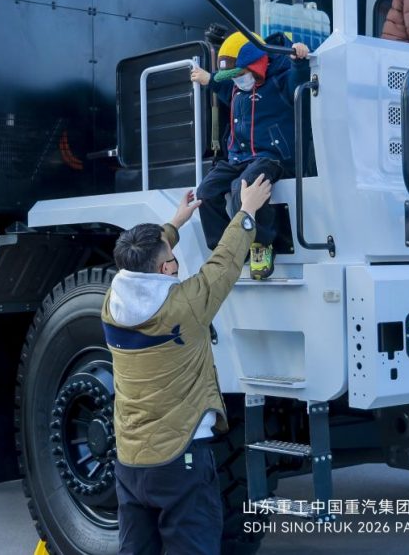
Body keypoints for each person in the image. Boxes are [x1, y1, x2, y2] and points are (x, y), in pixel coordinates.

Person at [104, 175, 273, 555]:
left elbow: (142, 259)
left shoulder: (112, 302)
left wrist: (175, 224)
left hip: (130, 463)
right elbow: (224, 263)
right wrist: (247, 210)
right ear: (166, 269)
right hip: (179, 458)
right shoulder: (186, 305)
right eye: (171, 257)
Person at [190, 31, 310, 280]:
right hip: (238, 157)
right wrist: (207, 78)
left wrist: (299, 61)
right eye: (232, 77)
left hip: (271, 156)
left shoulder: (279, 80)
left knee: (242, 187)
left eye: (240, 74)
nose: (236, 81)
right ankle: (224, 248)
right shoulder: (237, 88)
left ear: (256, 65)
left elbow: (299, 83)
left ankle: (261, 244)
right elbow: (221, 84)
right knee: (205, 192)